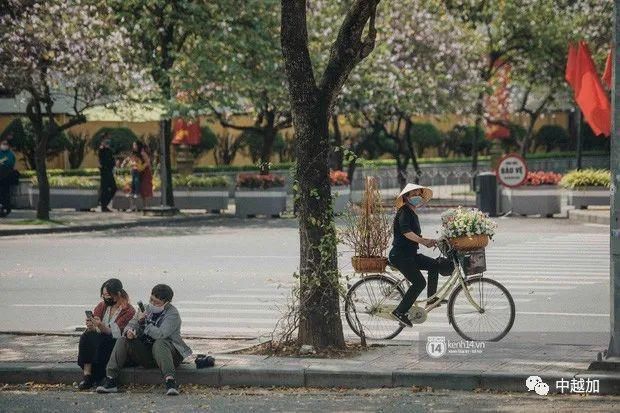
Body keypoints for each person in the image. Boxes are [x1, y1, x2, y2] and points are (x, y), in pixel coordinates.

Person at [97, 284, 192, 396]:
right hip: (147, 353)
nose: (152, 304)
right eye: (151, 300)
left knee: (160, 343)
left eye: (157, 303)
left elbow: (161, 334)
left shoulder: (172, 314)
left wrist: (144, 323)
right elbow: (131, 324)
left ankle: (170, 381)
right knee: (123, 339)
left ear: (166, 303)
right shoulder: (145, 309)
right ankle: (111, 379)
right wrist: (130, 332)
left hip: (169, 354)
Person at [389, 183, 445, 328]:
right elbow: (406, 232)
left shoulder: (412, 212)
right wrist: (423, 241)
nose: (416, 197)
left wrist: (430, 241)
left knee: (434, 265)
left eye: (418, 194)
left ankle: (431, 299)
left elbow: (414, 235)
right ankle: (399, 312)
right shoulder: (404, 212)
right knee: (419, 283)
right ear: (406, 197)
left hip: (410, 254)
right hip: (400, 256)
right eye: (413, 194)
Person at [77, 278, 135, 390]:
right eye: (103, 295)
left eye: (108, 295)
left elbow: (117, 332)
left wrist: (100, 326)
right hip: (100, 336)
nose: (105, 298)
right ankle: (87, 375)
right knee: (86, 336)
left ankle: (102, 377)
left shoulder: (128, 310)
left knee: (104, 340)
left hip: (116, 341)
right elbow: (96, 321)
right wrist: (92, 325)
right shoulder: (102, 306)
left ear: (117, 294)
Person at [98, 135, 117, 212]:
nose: (107, 141)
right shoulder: (102, 150)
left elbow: (112, 160)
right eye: (105, 140)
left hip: (109, 171)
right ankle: (103, 206)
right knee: (105, 189)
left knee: (113, 188)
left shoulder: (109, 150)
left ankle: (104, 203)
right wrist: (103, 146)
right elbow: (103, 159)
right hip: (105, 171)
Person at [0, 138, 18, 217]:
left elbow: (11, 163)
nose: (4, 145)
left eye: (6, 144)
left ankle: (6, 208)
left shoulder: (11, 154)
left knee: (6, 194)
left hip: (6, 178)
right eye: (3, 144)